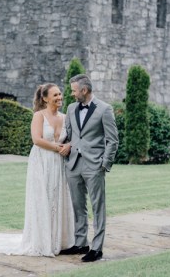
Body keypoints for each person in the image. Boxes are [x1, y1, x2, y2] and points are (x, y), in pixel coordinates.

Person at [0, 83, 74, 256]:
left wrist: (68, 145)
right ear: (45, 98)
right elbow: (37, 140)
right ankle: (42, 241)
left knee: (58, 198)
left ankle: (59, 240)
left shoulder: (65, 117)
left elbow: (73, 138)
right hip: (42, 161)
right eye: (55, 95)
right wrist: (57, 148)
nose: (59, 97)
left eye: (60, 94)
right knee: (43, 198)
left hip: (59, 164)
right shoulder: (39, 116)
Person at [57, 74, 118, 262]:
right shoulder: (71, 108)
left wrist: (104, 164)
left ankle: (97, 248)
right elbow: (69, 133)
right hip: (73, 164)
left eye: (74, 90)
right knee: (77, 206)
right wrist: (65, 144)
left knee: (98, 206)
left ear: (84, 90)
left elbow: (112, 140)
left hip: (94, 165)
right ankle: (81, 243)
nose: (72, 94)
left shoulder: (105, 109)